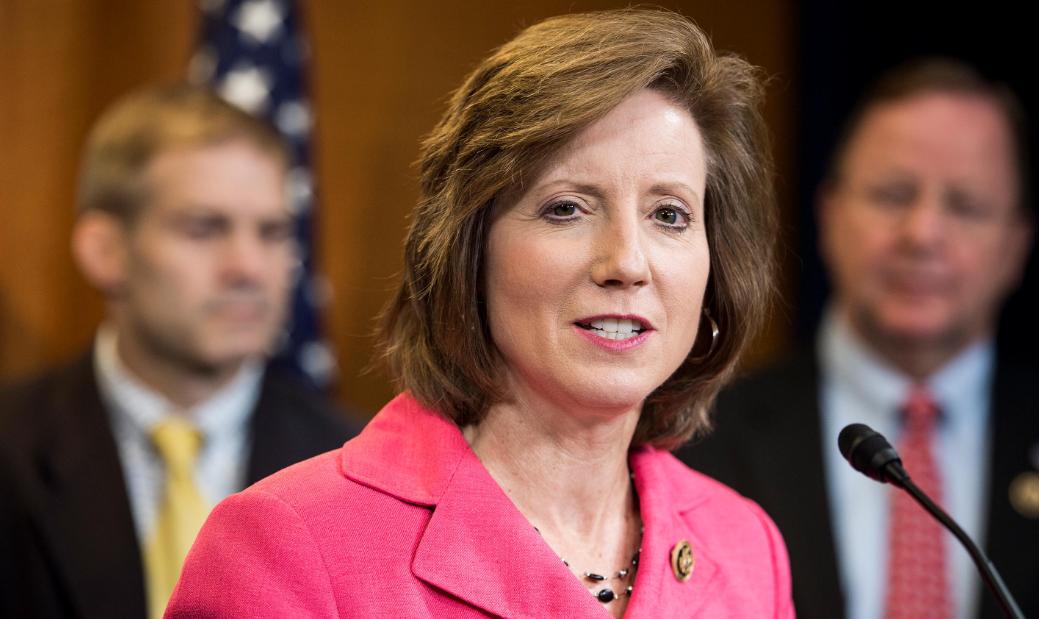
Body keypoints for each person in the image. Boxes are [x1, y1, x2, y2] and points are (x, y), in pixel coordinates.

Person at [167, 8, 793, 618]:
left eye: (669, 215)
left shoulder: (744, 546)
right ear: (469, 250)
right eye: (567, 208)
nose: (628, 262)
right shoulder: (288, 545)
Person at [677, 59, 1039, 619]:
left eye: (965, 206)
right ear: (829, 215)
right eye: (894, 195)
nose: (922, 234)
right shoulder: (699, 437)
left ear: (1016, 246)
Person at [0, 84, 357, 619]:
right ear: (106, 250)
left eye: (273, 232)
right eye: (204, 228)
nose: (248, 267)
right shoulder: (10, 448)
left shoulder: (352, 467)